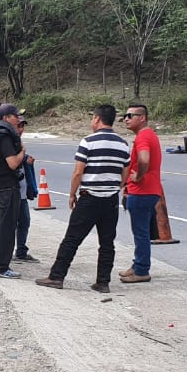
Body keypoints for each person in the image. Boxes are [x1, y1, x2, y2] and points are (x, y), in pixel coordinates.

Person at [35, 105, 129, 293]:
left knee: (72, 239)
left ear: (97, 119)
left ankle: (56, 276)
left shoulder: (88, 142)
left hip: (89, 198)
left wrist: (72, 193)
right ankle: (103, 282)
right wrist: (113, 187)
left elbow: (78, 172)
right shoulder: (123, 144)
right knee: (107, 243)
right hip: (110, 200)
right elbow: (125, 174)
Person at [0, 104, 27, 279]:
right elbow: (13, 163)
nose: (18, 119)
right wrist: (22, 152)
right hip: (8, 186)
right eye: (16, 116)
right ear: (6, 118)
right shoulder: (4, 136)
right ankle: (0, 267)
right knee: (7, 228)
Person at [120, 104, 163, 284]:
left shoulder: (143, 136)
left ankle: (142, 269)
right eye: (125, 115)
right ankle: (137, 264)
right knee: (141, 231)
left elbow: (144, 159)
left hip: (143, 192)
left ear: (142, 118)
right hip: (148, 191)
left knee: (141, 233)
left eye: (131, 115)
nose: (126, 119)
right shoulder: (148, 135)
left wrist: (138, 176)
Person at [13, 118, 38, 263]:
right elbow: (10, 160)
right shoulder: (9, 142)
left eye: (22, 126)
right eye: (18, 126)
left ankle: (21, 250)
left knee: (24, 221)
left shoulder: (18, 142)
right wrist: (24, 158)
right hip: (12, 190)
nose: (21, 129)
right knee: (10, 223)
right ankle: (5, 253)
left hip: (21, 190)